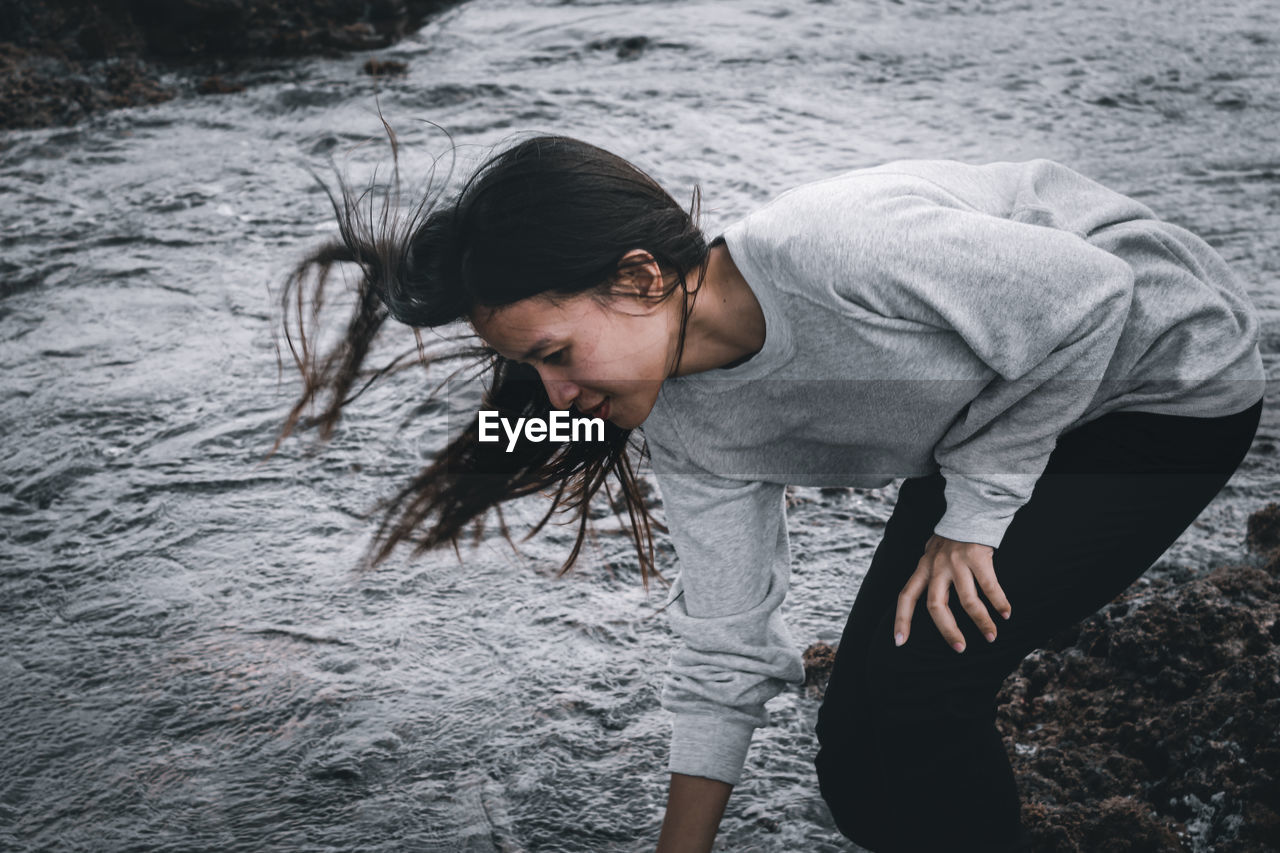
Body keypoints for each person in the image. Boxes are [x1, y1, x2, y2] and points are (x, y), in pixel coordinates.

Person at [276, 133, 1266, 852]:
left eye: (554, 355)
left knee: (919, 695)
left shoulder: (831, 250)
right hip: (999, 422)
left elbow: (1095, 296)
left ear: (637, 277)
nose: (556, 398)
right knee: (855, 755)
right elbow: (724, 643)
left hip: (1162, 387)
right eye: (534, 378)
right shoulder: (681, 422)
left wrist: (974, 515)